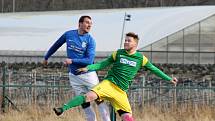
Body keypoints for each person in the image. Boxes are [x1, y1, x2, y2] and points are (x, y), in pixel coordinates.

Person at [53, 32, 178, 121]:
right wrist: (88, 67)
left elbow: (154, 69)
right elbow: (102, 64)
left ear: (135, 44)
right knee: (89, 96)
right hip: (109, 84)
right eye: (125, 40)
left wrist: (168, 78)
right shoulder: (118, 53)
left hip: (121, 91)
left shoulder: (141, 58)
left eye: (129, 40)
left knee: (127, 117)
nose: (126, 42)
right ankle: (62, 108)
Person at [44, 15, 110, 121]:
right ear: (80, 23)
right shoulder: (69, 34)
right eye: (87, 22)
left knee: (99, 99)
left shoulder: (90, 40)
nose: (90, 25)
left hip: (88, 75)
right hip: (74, 76)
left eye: (91, 23)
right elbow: (56, 45)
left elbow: (89, 60)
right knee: (84, 103)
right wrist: (46, 57)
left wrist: (72, 61)